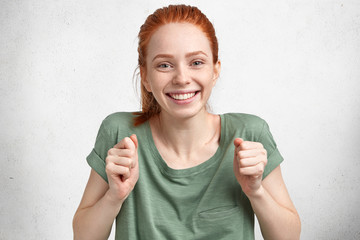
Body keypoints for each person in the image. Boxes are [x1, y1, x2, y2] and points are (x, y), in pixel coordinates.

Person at [73, 4, 301, 240]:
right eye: (164, 65)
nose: (182, 78)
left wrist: (256, 192)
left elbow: (289, 237)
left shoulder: (250, 134)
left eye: (196, 62)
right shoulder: (119, 133)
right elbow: (83, 236)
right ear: (146, 78)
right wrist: (114, 196)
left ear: (215, 70)